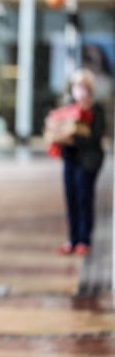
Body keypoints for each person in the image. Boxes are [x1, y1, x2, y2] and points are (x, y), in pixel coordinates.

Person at [51, 68, 105, 256]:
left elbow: (96, 137)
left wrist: (74, 139)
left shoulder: (96, 110)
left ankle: (84, 240)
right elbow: (57, 130)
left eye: (83, 87)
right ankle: (72, 239)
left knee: (84, 199)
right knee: (71, 199)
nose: (79, 91)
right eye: (76, 87)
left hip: (88, 161)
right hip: (71, 159)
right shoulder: (68, 108)